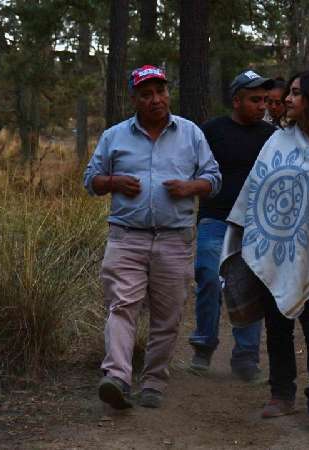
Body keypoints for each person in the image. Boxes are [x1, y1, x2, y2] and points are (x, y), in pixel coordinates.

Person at [221, 70, 309, 431]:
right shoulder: (276, 141)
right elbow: (258, 188)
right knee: (278, 325)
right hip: (276, 247)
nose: (287, 99)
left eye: (296, 94)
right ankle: (281, 393)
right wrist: (245, 233)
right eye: (289, 93)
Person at [83, 65, 221, 410]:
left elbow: (214, 178)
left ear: (168, 94)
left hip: (175, 240)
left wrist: (191, 187)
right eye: (147, 94)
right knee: (121, 306)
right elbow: (91, 180)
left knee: (168, 315)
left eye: (160, 92)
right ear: (135, 99)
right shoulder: (115, 136)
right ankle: (116, 377)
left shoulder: (190, 134)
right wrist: (114, 182)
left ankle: (154, 381)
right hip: (126, 237)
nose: (155, 99)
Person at [188, 69, 275, 382]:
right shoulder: (211, 131)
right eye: (255, 99)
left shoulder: (271, 136)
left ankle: (246, 359)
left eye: (265, 100)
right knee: (209, 278)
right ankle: (203, 346)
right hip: (215, 219)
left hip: (254, 226)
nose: (261, 105)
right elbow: (191, 169)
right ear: (236, 100)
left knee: (250, 287)